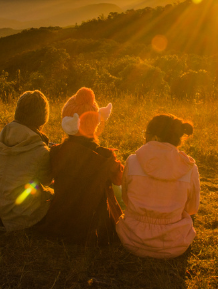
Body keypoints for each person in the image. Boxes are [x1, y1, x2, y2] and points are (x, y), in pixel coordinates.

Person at [37, 87, 123, 245]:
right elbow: (120, 180)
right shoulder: (105, 157)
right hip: (93, 227)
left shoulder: (56, 153)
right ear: (95, 124)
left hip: (59, 221)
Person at [116, 114, 200, 258]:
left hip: (131, 239)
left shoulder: (132, 161)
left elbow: (126, 199)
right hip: (175, 244)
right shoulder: (189, 168)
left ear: (155, 137)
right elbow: (192, 209)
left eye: (146, 134)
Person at [0, 90, 53, 231]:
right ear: (43, 118)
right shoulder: (40, 151)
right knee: (51, 196)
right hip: (20, 216)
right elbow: (46, 180)